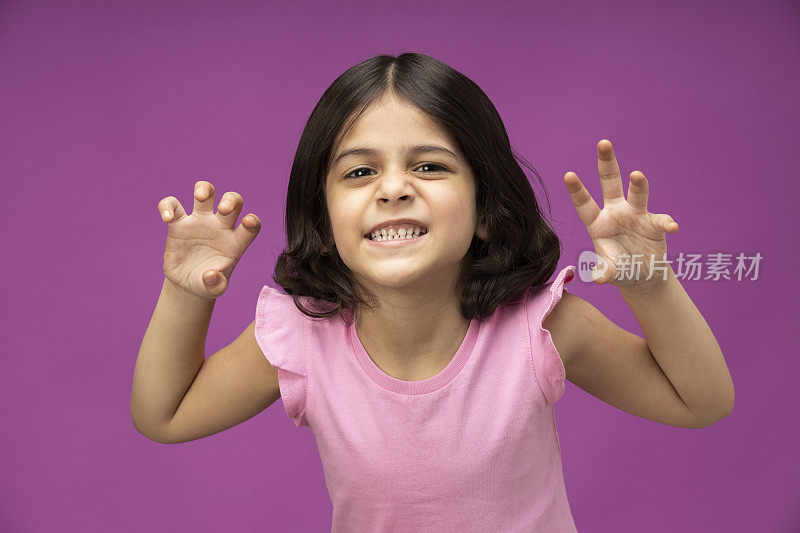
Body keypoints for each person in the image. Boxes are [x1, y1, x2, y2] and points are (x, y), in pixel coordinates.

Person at [131, 52, 735, 532]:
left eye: (430, 166)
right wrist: (186, 294)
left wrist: (649, 284)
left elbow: (699, 402)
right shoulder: (302, 333)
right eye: (360, 171)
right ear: (324, 214)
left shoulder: (540, 326)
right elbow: (165, 415)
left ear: (487, 208)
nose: (393, 188)